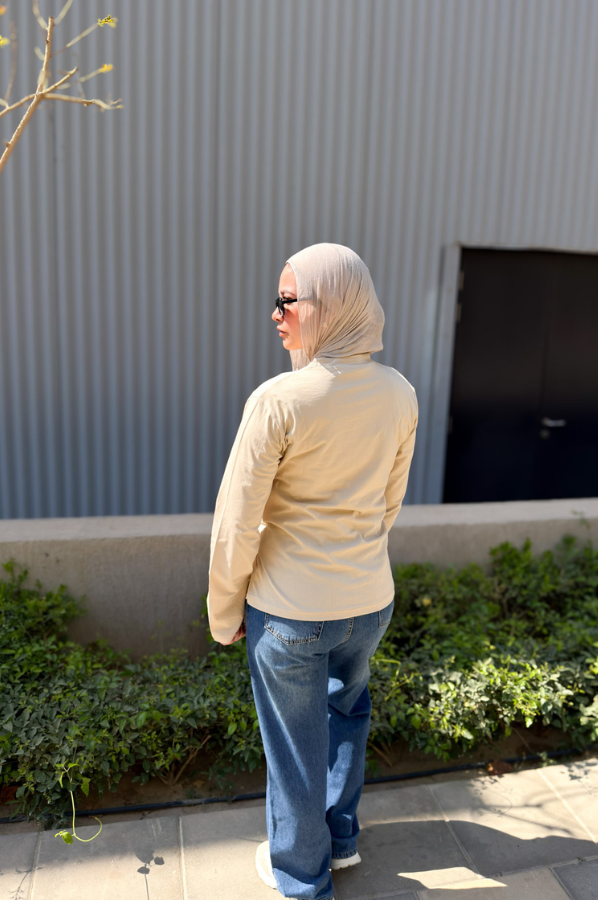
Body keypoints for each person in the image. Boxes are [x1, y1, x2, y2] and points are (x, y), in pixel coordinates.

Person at [207, 243, 418, 900]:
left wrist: (224, 613)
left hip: (290, 610)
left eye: (287, 300)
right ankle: (342, 837)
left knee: (294, 746)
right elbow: (390, 500)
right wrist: (353, 561)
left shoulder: (279, 401)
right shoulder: (399, 393)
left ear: (328, 306)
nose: (274, 313)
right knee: (347, 711)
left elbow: (236, 523)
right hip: (369, 601)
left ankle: (302, 876)